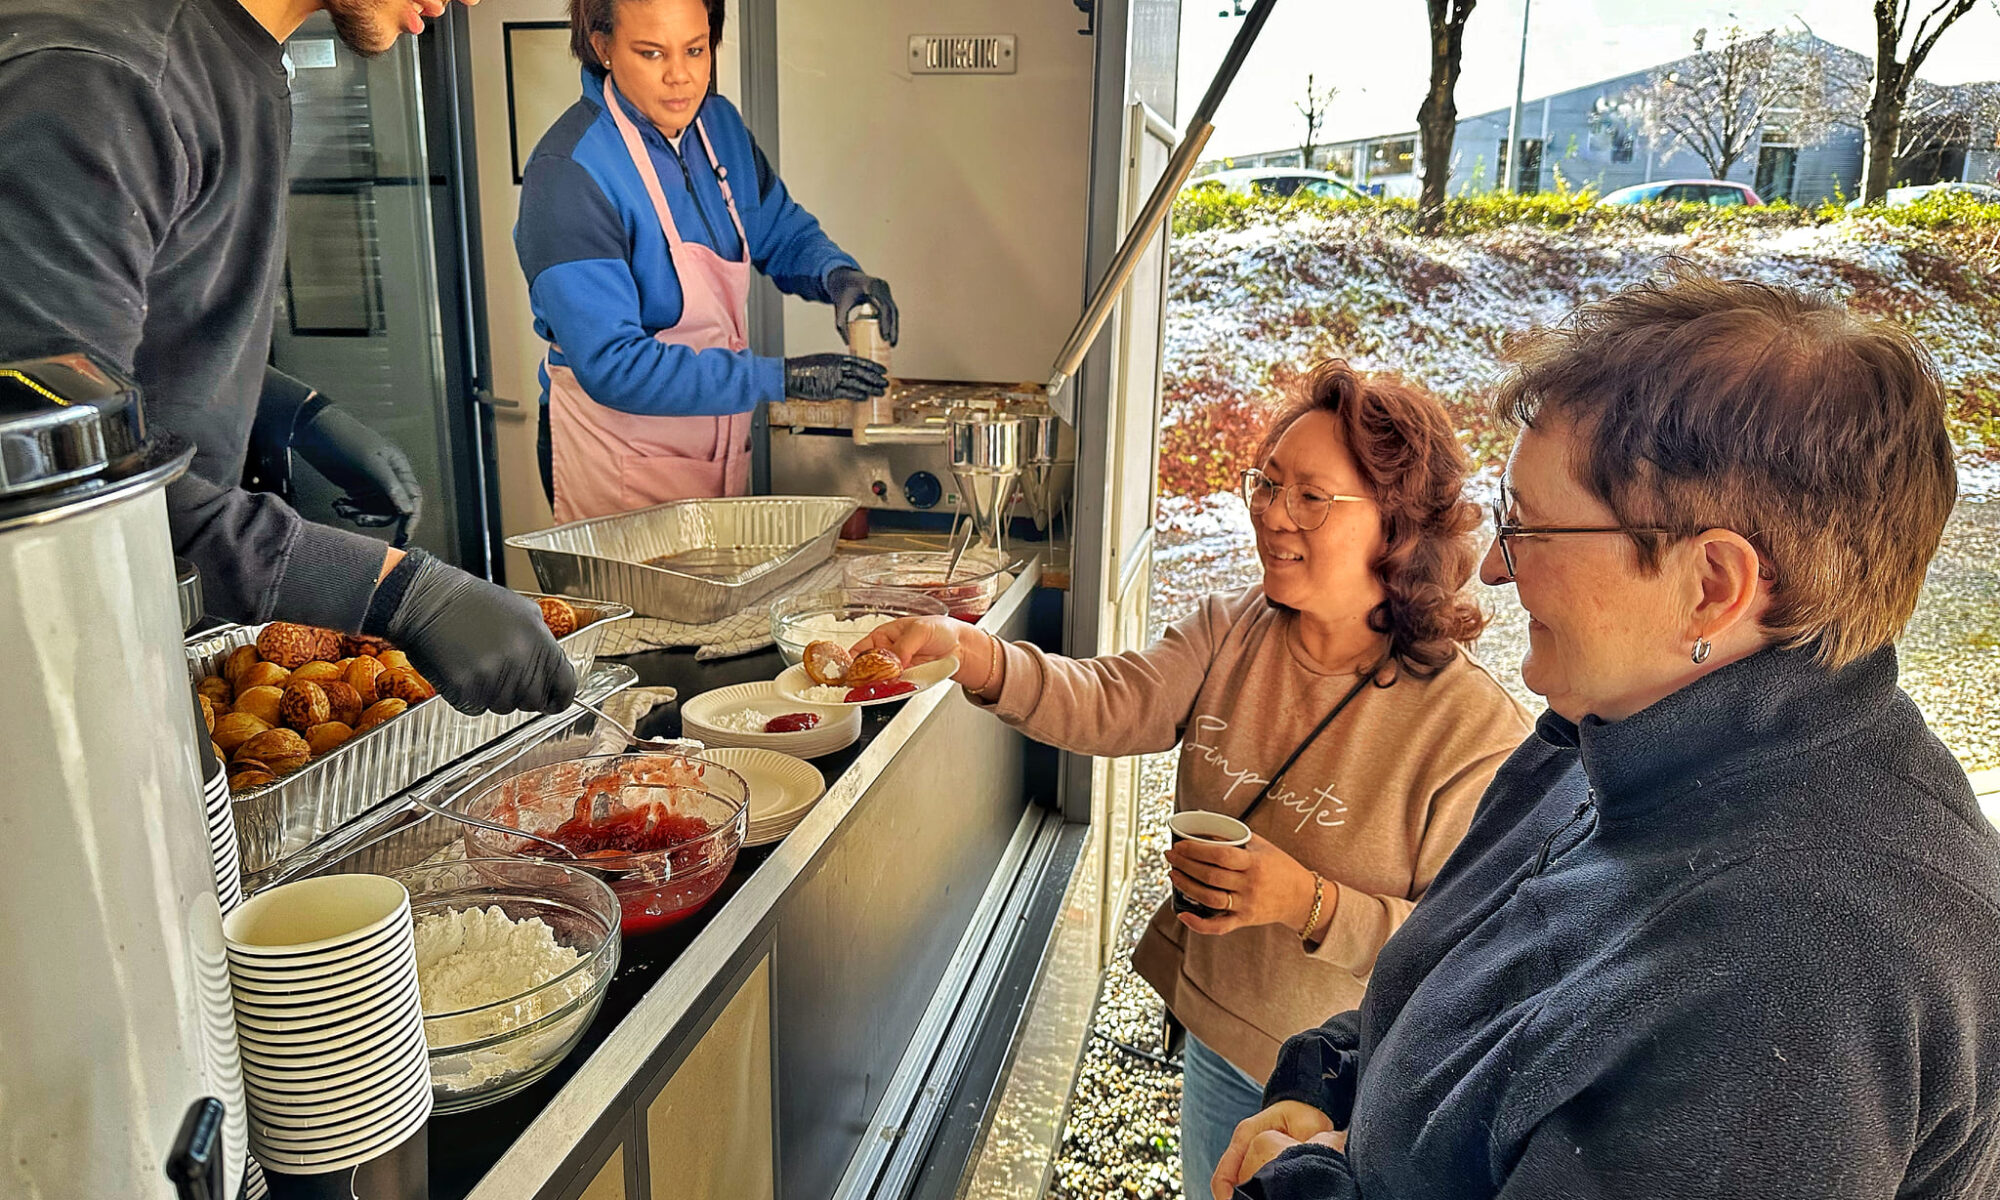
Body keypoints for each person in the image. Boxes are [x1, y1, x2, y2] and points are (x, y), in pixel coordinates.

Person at [1214, 267, 2000, 1200]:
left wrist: (1303, 1186)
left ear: (1712, 584)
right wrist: (1332, 1081)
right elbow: (1462, 980)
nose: (1496, 574)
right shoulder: (1609, 733)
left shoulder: (1806, 973)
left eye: (1530, 529)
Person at [857, 362, 1531, 1198]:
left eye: (1311, 497)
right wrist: (972, 652)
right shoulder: (1232, 628)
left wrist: (1307, 902)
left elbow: (1467, 954)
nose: (1272, 515)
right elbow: (1114, 700)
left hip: (1343, 1091)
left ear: (1396, 527)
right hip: (1216, 1034)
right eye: (1267, 483)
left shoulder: (1472, 731)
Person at [0, 0, 575, 715]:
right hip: (47, 687)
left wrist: (291, 412)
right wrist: (393, 590)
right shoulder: (98, 82)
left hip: (140, 624)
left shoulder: (234, 56)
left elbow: (140, 340)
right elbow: (66, 493)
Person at [517, 0, 897, 519]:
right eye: (651, 53)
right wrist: (779, 380)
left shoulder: (718, 127)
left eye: (695, 50)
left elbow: (777, 227)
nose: (681, 77)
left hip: (716, 450)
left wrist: (836, 273)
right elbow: (613, 365)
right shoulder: (568, 175)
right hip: (617, 463)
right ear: (602, 46)